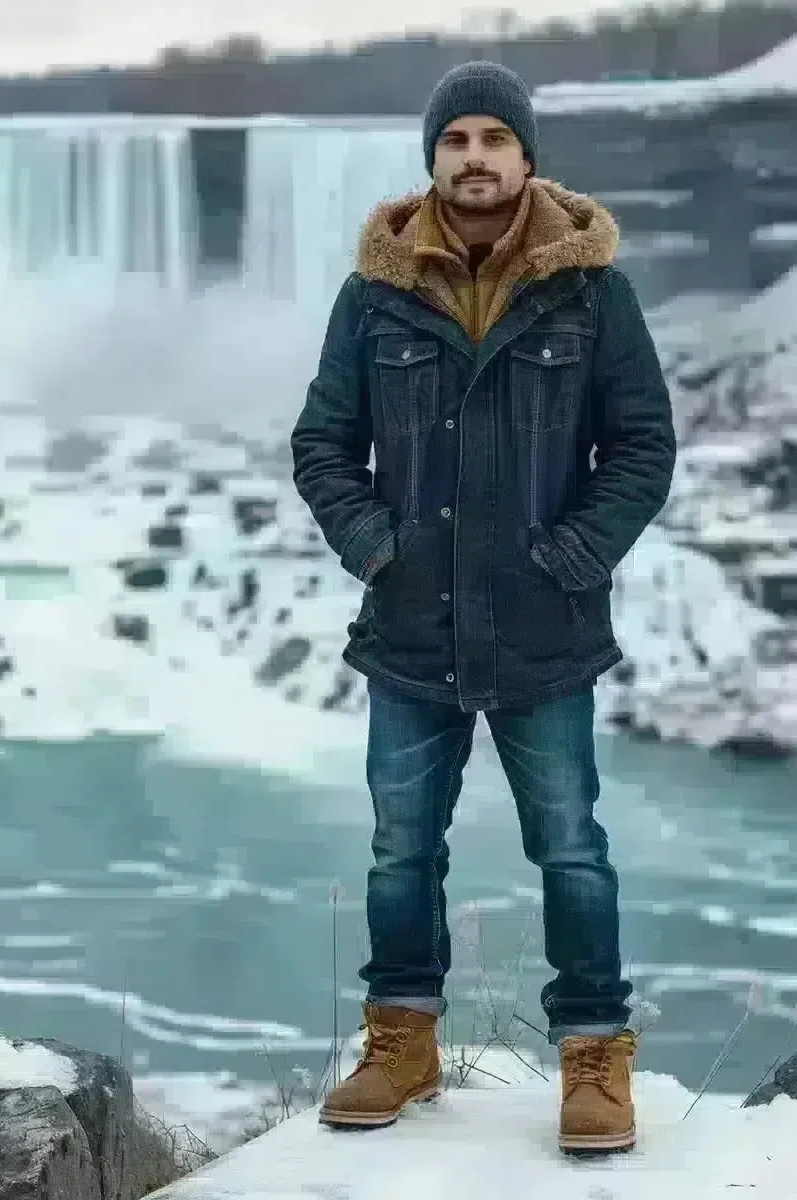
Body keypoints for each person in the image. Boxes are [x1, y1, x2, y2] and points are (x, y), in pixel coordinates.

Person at [290, 60, 676, 1154]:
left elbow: (643, 446)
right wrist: (379, 550)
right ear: (433, 158)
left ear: (525, 156)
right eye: (455, 139)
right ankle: (401, 1040)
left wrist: (571, 558)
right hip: (411, 628)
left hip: (544, 628)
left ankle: (596, 1056)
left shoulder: (593, 290)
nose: (473, 157)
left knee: (572, 848)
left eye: (491, 139)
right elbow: (322, 444)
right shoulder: (375, 293)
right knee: (399, 851)